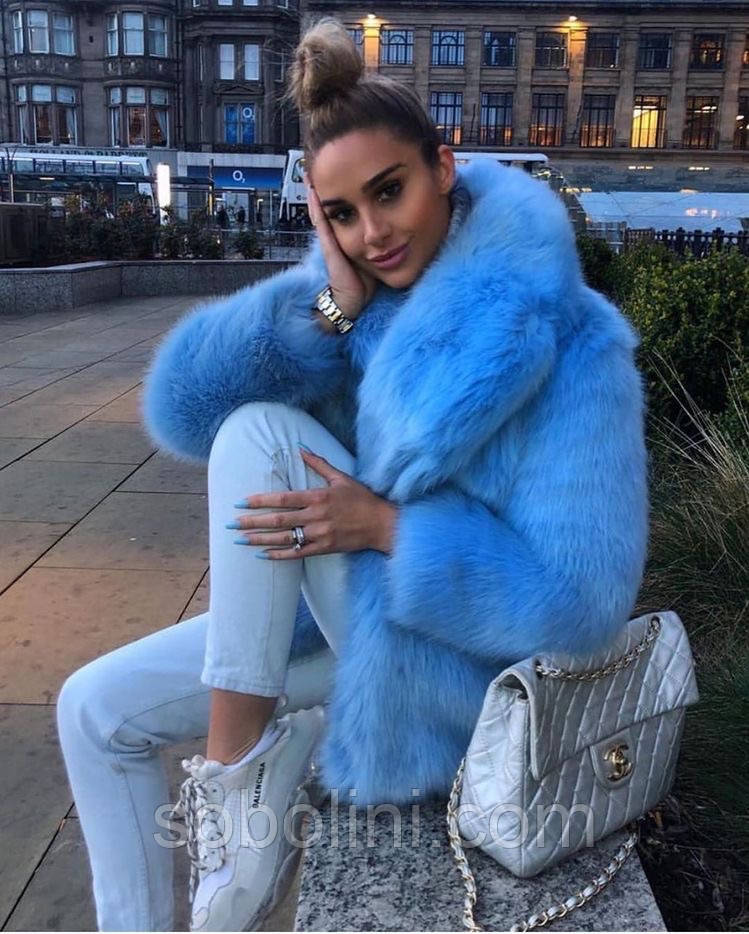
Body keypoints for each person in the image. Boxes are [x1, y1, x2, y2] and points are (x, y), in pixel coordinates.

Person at [55, 14, 648, 934]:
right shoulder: (350, 307)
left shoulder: (573, 343)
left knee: (264, 434)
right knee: (91, 708)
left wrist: (389, 529)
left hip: (466, 668)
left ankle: (238, 777)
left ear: (442, 167)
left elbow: (583, 605)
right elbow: (182, 413)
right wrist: (329, 312)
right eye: (340, 214)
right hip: (339, 625)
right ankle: (225, 805)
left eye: (389, 192)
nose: (372, 233)